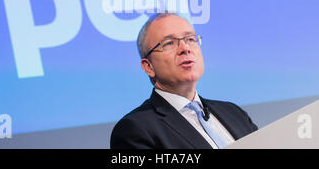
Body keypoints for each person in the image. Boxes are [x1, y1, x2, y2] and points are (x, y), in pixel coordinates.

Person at [110, 12, 258, 149]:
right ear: (148, 66)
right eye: (169, 43)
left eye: (190, 39)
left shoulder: (234, 112)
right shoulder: (135, 130)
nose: (185, 48)